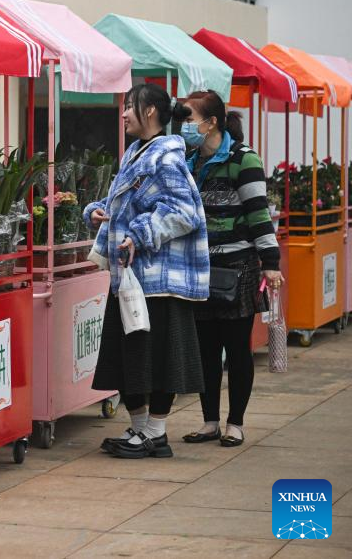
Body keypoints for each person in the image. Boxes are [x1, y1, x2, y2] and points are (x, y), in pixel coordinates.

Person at [83, 83, 209, 459]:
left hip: (157, 279)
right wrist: (97, 210)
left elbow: (185, 212)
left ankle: (155, 432)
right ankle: (141, 429)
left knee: (156, 357)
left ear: (150, 111)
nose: (123, 113)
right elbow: (126, 201)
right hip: (132, 276)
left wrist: (140, 233)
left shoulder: (165, 158)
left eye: (129, 106)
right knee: (132, 354)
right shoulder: (137, 153)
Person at [175, 91, 282, 448]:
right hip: (199, 269)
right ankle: (210, 423)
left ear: (211, 122)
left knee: (236, 350)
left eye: (189, 118)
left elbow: (258, 214)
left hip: (238, 268)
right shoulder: (188, 161)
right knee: (205, 351)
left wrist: (270, 263)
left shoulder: (243, 159)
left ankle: (235, 423)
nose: (184, 125)